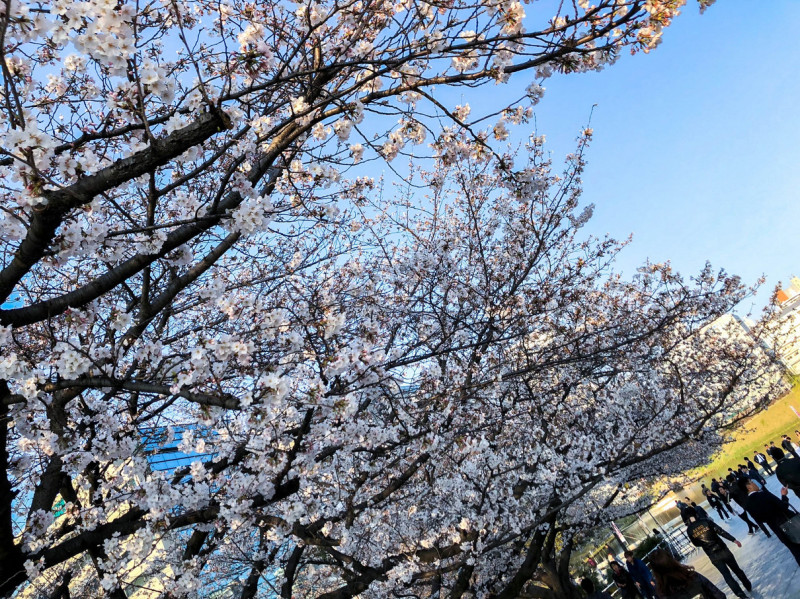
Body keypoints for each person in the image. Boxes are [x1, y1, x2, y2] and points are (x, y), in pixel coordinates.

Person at [683, 506, 751, 598]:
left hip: (712, 555)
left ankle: (740, 594)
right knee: (736, 569)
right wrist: (733, 540)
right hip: (722, 549)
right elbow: (720, 531)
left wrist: (704, 543)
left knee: (727, 576)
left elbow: (696, 544)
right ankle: (747, 584)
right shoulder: (706, 521)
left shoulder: (689, 530)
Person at [743, 479, 800, 566]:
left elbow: (759, 520)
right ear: (749, 487)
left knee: (795, 551)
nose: (755, 483)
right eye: (752, 482)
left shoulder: (748, 505)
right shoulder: (764, 494)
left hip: (778, 529)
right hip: (790, 523)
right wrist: (784, 495)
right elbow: (783, 506)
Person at [648, 549, 725, 599]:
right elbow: (719, 595)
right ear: (672, 560)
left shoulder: (661, 593)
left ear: (655, 571)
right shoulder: (692, 575)